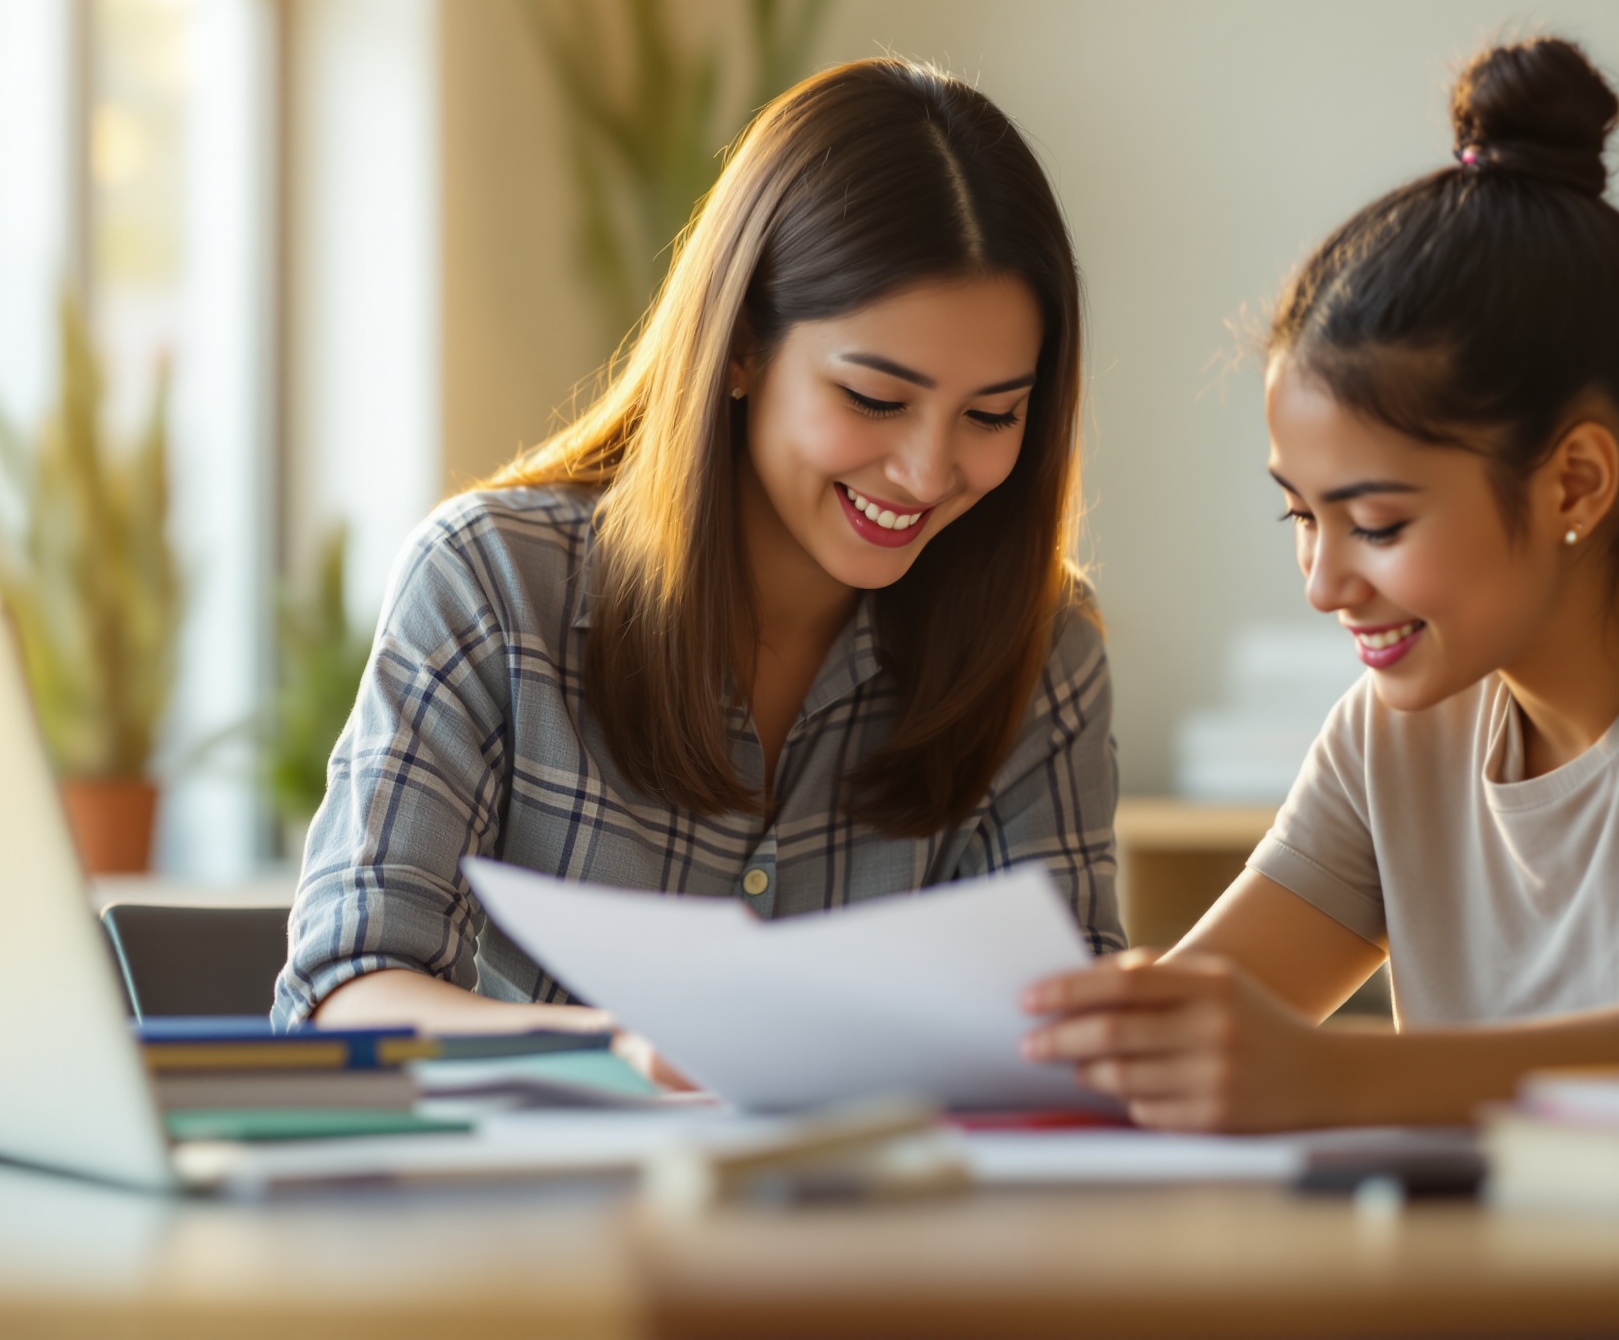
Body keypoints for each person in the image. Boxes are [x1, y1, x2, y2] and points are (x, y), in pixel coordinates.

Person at [1022, 37, 1619, 1132]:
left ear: (1574, 481)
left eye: (1377, 522)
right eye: (1301, 516)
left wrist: (1333, 1077)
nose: (1324, 583)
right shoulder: (1394, 735)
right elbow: (1181, 1043)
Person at [275, 58, 1120, 1043]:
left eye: (991, 413)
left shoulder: (1038, 648)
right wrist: (623, 1053)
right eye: (874, 400)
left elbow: (1076, 1036)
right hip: (533, 1194)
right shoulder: (493, 584)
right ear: (740, 350)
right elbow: (344, 992)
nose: (928, 472)